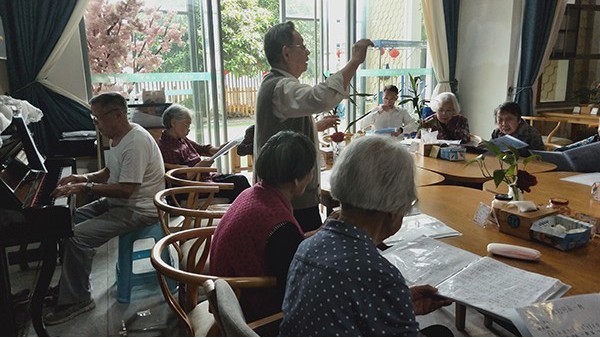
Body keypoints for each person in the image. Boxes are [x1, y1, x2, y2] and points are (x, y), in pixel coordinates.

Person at [279, 135, 453, 337]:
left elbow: (341, 306)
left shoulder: (307, 247)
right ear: (393, 209)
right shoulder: (379, 274)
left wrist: (400, 300)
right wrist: (392, 296)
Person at [45, 92, 165, 325]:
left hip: (139, 210)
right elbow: (108, 173)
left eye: (97, 118)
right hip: (121, 203)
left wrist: (85, 187)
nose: (95, 123)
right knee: (65, 222)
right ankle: (70, 286)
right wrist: (82, 178)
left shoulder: (136, 142)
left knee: (77, 236)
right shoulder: (117, 137)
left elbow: (126, 189)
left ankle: (78, 299)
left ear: (118, 115)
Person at [254, 20, 373, 232]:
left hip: (286, 192)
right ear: (286, 53)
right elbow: (319, 98)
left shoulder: (274, 83)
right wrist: (355, 61)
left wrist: (315, 126)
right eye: (302, 46)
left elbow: (285, 124)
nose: (307, 52)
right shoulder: (280, 86)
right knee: (307, 250)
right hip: (291, 196)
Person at [210, 131, 316, 323]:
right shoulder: (280, 226)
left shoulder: (252, 194)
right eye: (310, 170)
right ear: (297, 181)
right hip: (252, 315)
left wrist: (320, 234)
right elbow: (294, 285)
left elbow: (285, 247)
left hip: (229, 295)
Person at [157, 103, 250, 202]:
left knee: (240, 180)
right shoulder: (166, 147)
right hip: (194, 188)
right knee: (240, 183)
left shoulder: (181, 139)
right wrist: (200, 167)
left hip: (205, 179)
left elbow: (202, 149)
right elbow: (179, 180)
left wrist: (218, 150)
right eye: (187, 124)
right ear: (173, 123)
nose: (189, 129)